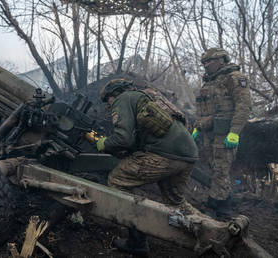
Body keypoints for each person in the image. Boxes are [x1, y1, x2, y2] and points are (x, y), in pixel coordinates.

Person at [97, 78, 199, 256]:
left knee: (117, 180)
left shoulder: (123, 99)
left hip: (164, 155)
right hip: (187, 154)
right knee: (175, 201)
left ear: (113, 94)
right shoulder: (147, 96)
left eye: (108, 102)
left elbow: (123, 138)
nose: (109, 106)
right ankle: (209, 233)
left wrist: (104, 144)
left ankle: (137, 242)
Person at [192, 48, 251, 220]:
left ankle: (215, 207)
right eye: (203, 62)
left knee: (220, 170)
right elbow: (203, 109)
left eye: (209, 61)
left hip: (225, 135)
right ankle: (225, 206)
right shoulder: (209, 82)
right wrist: (198, 128)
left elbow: (243, 106)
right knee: (215, 169)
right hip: (209, 134)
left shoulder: (234, 78)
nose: (206, 65)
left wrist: (234, 133)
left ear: (222, 60)